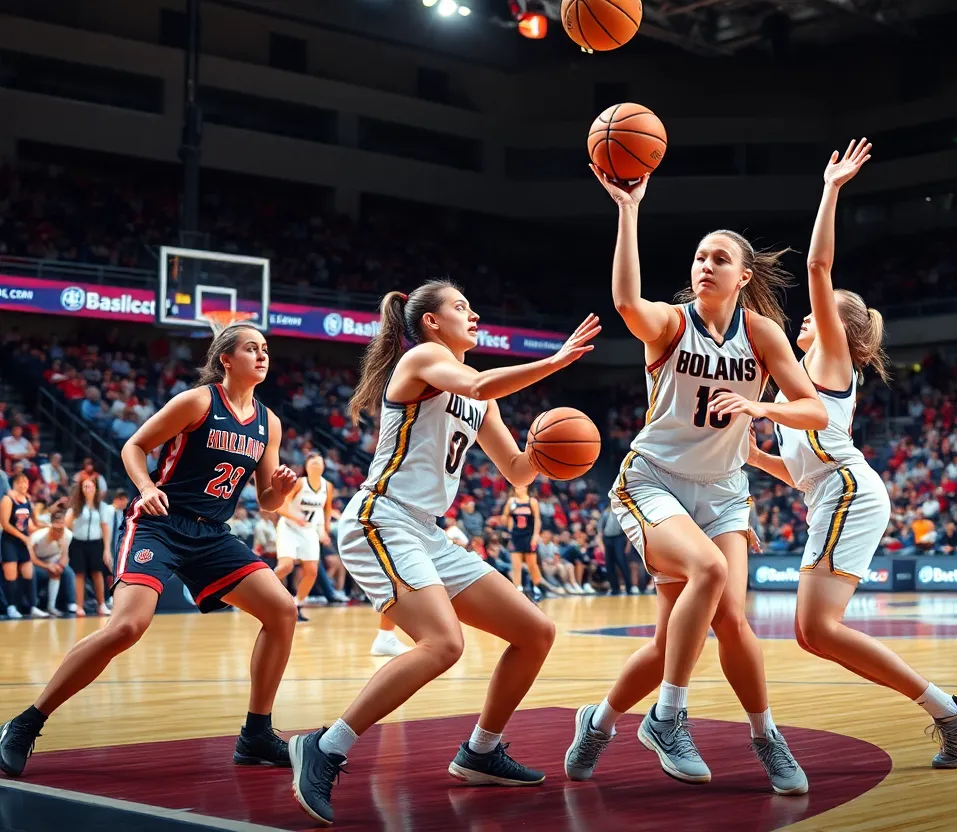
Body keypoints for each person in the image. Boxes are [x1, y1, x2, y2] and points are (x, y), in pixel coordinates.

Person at [288, 282, 599, 826]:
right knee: (442, 643)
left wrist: (555, 450)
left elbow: (519, 472)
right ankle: (324, 746)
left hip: (427, 531)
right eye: (461, 306)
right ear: (431, 322)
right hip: (381, 518)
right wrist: (554, 360)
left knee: (535, 632)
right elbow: (478, 381)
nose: (474, 313)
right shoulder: (425, 359)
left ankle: (481, 750)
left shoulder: (480, 399)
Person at [564, 166, 828, 794]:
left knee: (710, 629)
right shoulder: (671, 324)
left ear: (743, 276)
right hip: (654, 480)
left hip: (724, 493)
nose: (705, 265)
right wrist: (628, 209)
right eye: (698, 257)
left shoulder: (762, 334)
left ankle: (607, 723)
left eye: (719, 258)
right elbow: (627, 301)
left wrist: (762, 409)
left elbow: (814, 410)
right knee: (709, 574)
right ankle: (668, 717)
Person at [744, 139, 957, 769]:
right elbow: (801, 469)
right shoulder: (799, 378)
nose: (801, 319)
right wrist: (753, 453)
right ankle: (949, 710)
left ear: (836, 325)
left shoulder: (828, 356)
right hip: (832, 492)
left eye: (814, 316)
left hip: (849, 493)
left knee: (816, 631)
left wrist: (830, 190)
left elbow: (819, 269)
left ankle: (950, 710)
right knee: (812, 633)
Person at [0, 324, 301, 779]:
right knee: (127, 626)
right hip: (159, 524)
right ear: (226, 358)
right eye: (251, 348)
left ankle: (256, 733)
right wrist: (144, 487)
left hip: (212, 534)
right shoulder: (198, 401)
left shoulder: (268, 422)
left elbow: (265, 501)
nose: (262, 355)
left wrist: (279, 490)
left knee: (282, 610)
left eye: (265, 349)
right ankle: (26, 723)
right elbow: (135, 445)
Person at [274, 452, 332, 622]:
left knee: (312, 571)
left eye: (319, 461)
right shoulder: (299, 483)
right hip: (289, 527)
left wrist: (325, 531)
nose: (316, 463)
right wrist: (295, 518)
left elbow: (326, 511)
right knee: (286, 566)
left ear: (324, 466)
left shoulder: (327, 486)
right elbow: (281, 507)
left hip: (309, 530)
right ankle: (259, 591)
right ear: (306, 466)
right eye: (312, 461)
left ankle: (297, 605)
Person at [65, 478, 111, 618]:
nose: (88, 489)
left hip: (96, 543)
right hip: (78, 543)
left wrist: (107, 549)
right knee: (79, 574)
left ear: (95, 489)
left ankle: (101, 604)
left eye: (90, 486)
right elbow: (67, 523)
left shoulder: (101, 506)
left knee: (97, 573)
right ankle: (79, 606)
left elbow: (105, 527)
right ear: (81, 489)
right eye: (85, 487)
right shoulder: (77, 505)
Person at [1, 471, 42, 619]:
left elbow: (29, 526)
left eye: (25, 482)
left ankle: (31, 606)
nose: (24, 485)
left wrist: (47, 528)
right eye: (20, 482)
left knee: (28, 574)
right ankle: (11, 607)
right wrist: (23, 537)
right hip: (9, 542)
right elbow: (5, 524)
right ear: (14, 484)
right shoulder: (7, 499)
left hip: (23, 542)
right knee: (11, 576)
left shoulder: (27, 500)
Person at [502, 484, 549, 600]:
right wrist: (509, 524)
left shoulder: (532, 501)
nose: (519, 489)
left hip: (529, 536)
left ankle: (537, 587)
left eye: (521, 487)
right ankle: (517, 589)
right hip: (516, 536)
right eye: (517, 487)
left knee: (532, 564)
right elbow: (504, 517)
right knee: (516, 565)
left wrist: (536, 535)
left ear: (527, 488)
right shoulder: (511, 501)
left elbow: (537, 519)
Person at [27, 509, 76, 616]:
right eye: (56, 529)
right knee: (32, 572)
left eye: (61, 529)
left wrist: (59, 566)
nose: (59, 532)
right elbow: (30, 557)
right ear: (51, 526)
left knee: (67, 572)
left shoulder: (68, 535)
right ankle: (33, 606)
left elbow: (65, 557)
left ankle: (67, 604)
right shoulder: (39, 535)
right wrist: (47, 566)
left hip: (53, 558)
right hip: (36, 561)